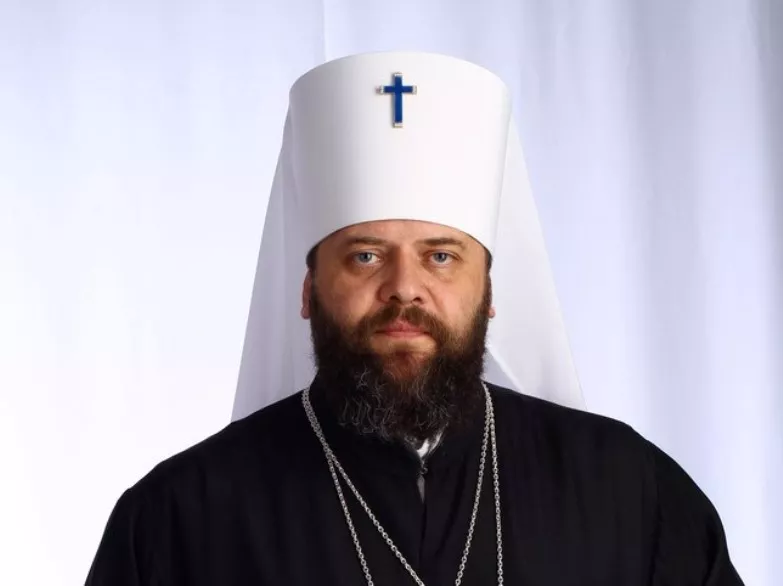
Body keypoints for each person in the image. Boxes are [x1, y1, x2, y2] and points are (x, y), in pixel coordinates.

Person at [85, 52, 744, 585]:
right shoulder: (178, 518)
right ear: (308, 290)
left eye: (441, 257)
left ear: (489, 292)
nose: (405, 289)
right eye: (365, 255)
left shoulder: (627, 492)